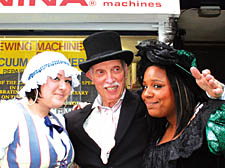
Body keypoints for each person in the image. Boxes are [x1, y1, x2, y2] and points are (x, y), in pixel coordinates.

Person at [135, 39, 225, 168]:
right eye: (145, 87)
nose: (146, 94)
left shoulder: (209, 122)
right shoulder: (156, 128)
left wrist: (220, 97)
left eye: (157, 86)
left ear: (179, 87)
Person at [0, 51, 80, 167]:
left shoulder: (58, 120)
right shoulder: (9, 113)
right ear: (36, 80)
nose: (64, 87)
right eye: (55, 78)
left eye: (68, 81)